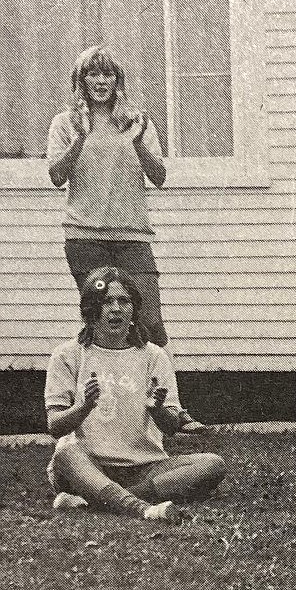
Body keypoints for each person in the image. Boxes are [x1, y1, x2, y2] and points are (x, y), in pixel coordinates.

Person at [46, 45, 206, 434]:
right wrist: (80, 140)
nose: (101, 82)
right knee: (97, 320)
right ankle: (91, 410)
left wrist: (136, 141)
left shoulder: (137, 121)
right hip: (84, 237)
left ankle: (172, 410)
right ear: (80, 82)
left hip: (132, 235)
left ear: (119, 81)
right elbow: (56, 175)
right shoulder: (65, 123)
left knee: (150, 320)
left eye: (109, 75)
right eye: (92, 75)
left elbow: (159, 176)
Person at [44, 267, 227, 523]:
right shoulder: (67, 355)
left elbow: (172, 425)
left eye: (124, 301)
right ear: (90, 310)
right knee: (65, 452)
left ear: (134, 309)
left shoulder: (154, 356)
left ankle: (99, 501)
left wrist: (157, 409)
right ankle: (141, 508)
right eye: (107, 301)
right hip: (87, 465)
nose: (116, 309)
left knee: (212, 464)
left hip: (144, 467)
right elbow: (55, 426)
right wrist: (83, 408)